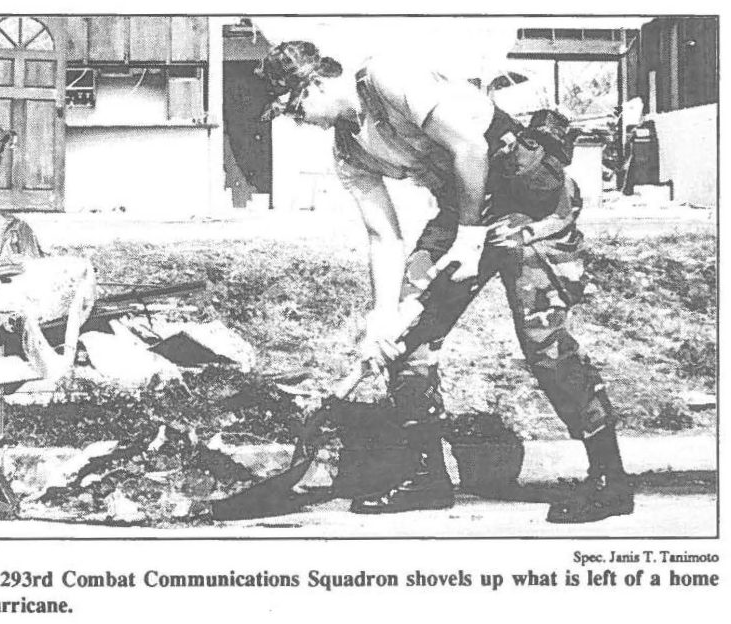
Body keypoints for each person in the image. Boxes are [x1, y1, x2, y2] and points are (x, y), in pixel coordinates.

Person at [256, 41, 633, 523]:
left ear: (315, 83)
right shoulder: (349, 150)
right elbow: (383, 237)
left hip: (528, 201)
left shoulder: (386, 76)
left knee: (543, 342)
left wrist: (472, 237)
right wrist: (382, 316)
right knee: (404, 340)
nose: (297, 120)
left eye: (294, 107)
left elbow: (469, 147)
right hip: (460, 212)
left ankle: (610, 478)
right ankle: (426, 478)